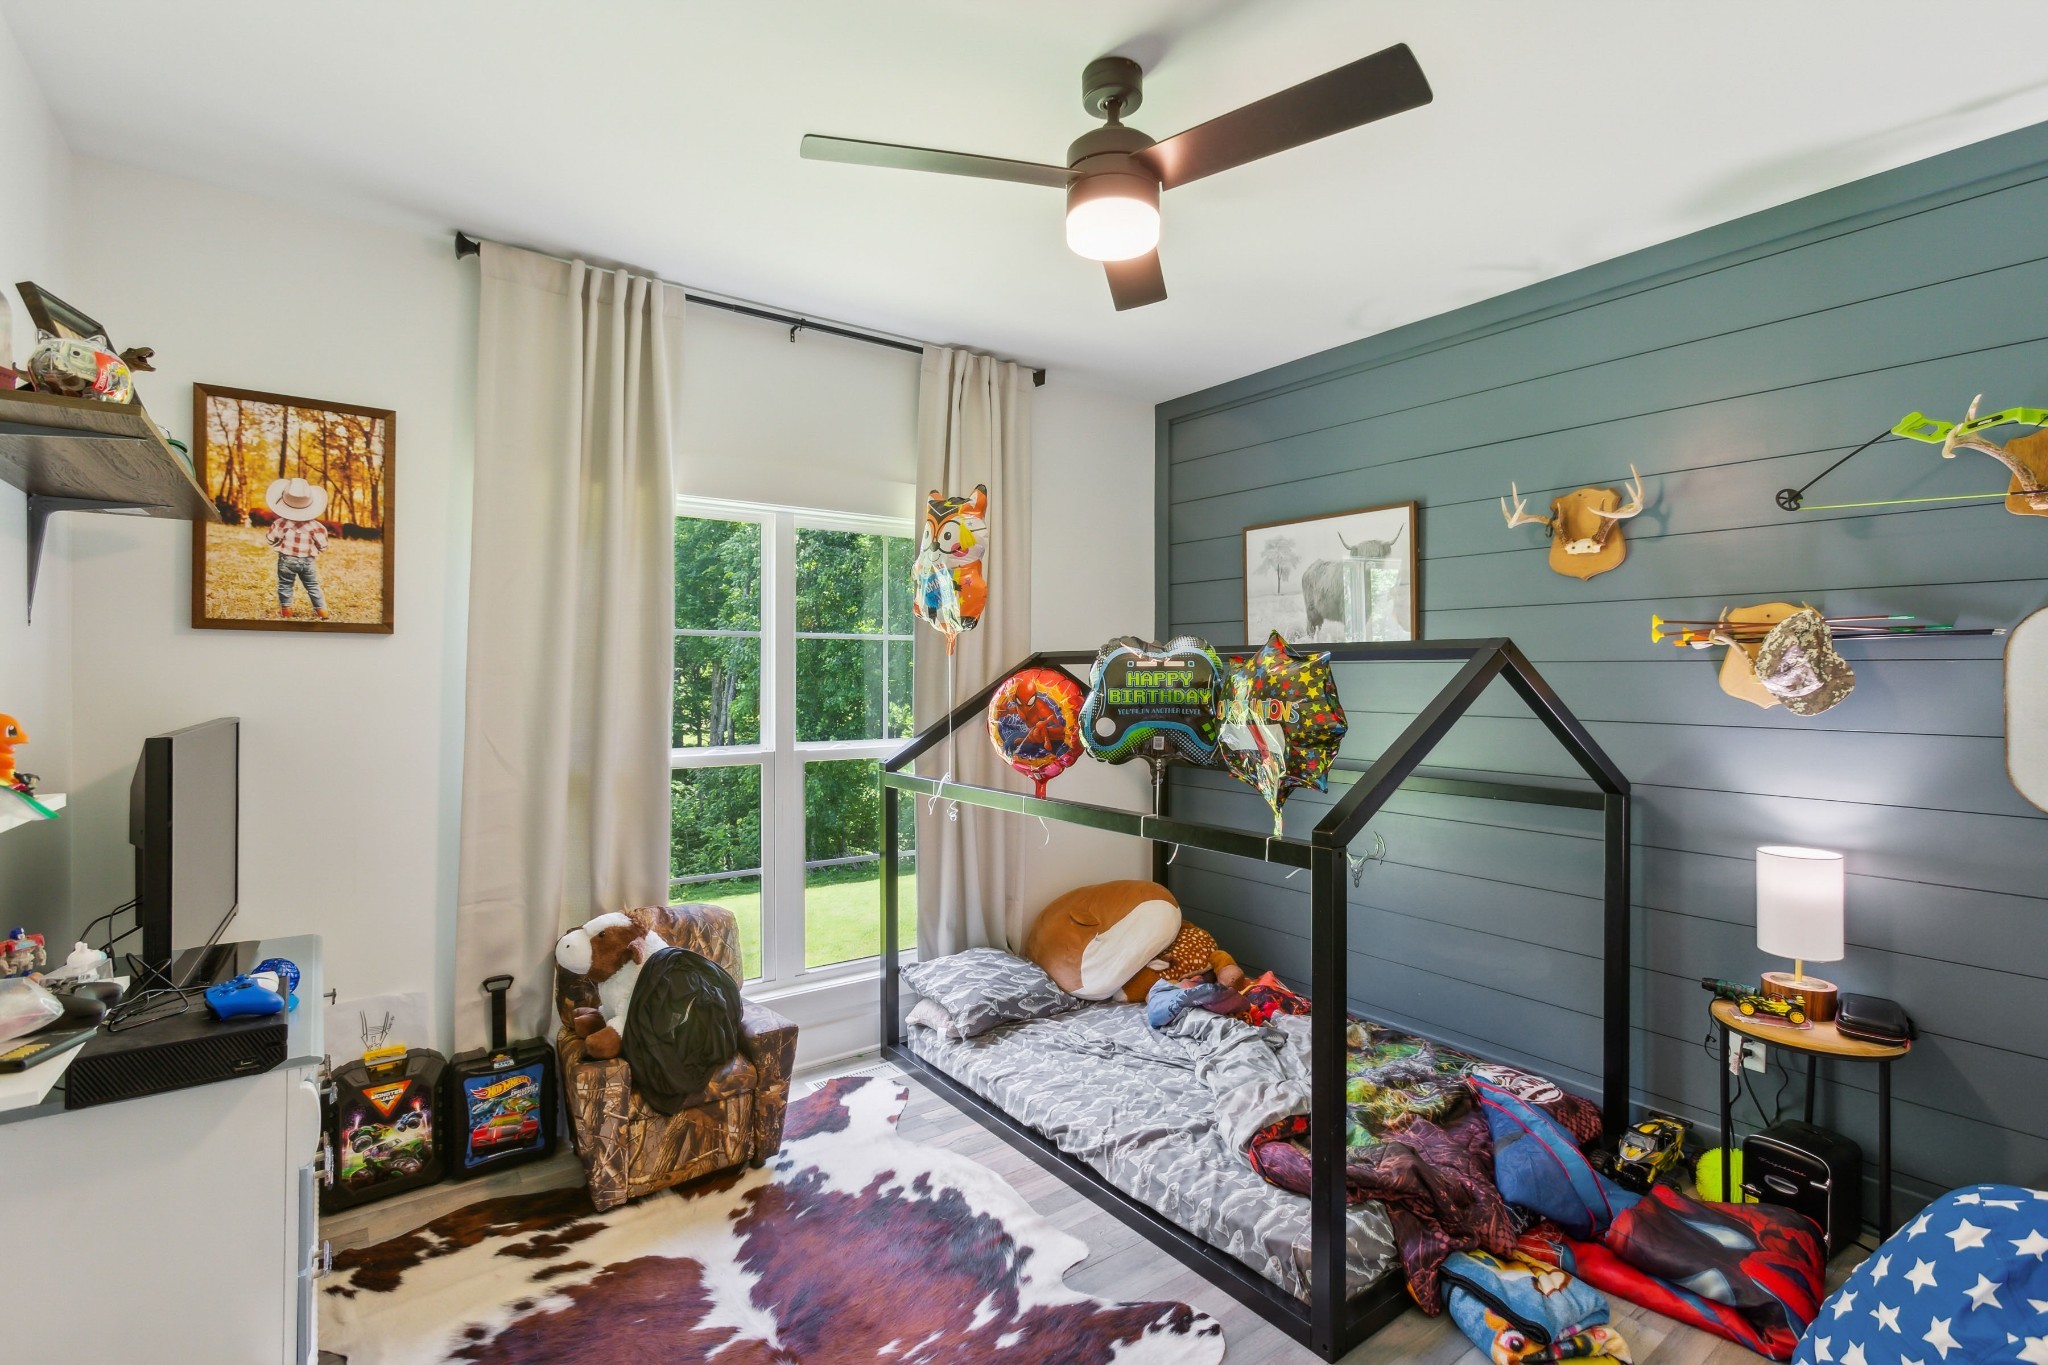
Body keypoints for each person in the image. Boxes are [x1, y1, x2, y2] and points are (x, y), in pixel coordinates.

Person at [265, 477, 331, 620]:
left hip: (286, 559)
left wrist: (277, 543)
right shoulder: (316, 527)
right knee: (313, 585)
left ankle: (287, 612)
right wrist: (318, 549)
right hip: (308, 561)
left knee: (285, 585)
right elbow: (323, 545)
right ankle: (322, 612)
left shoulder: (280, 523)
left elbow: (270, 538)